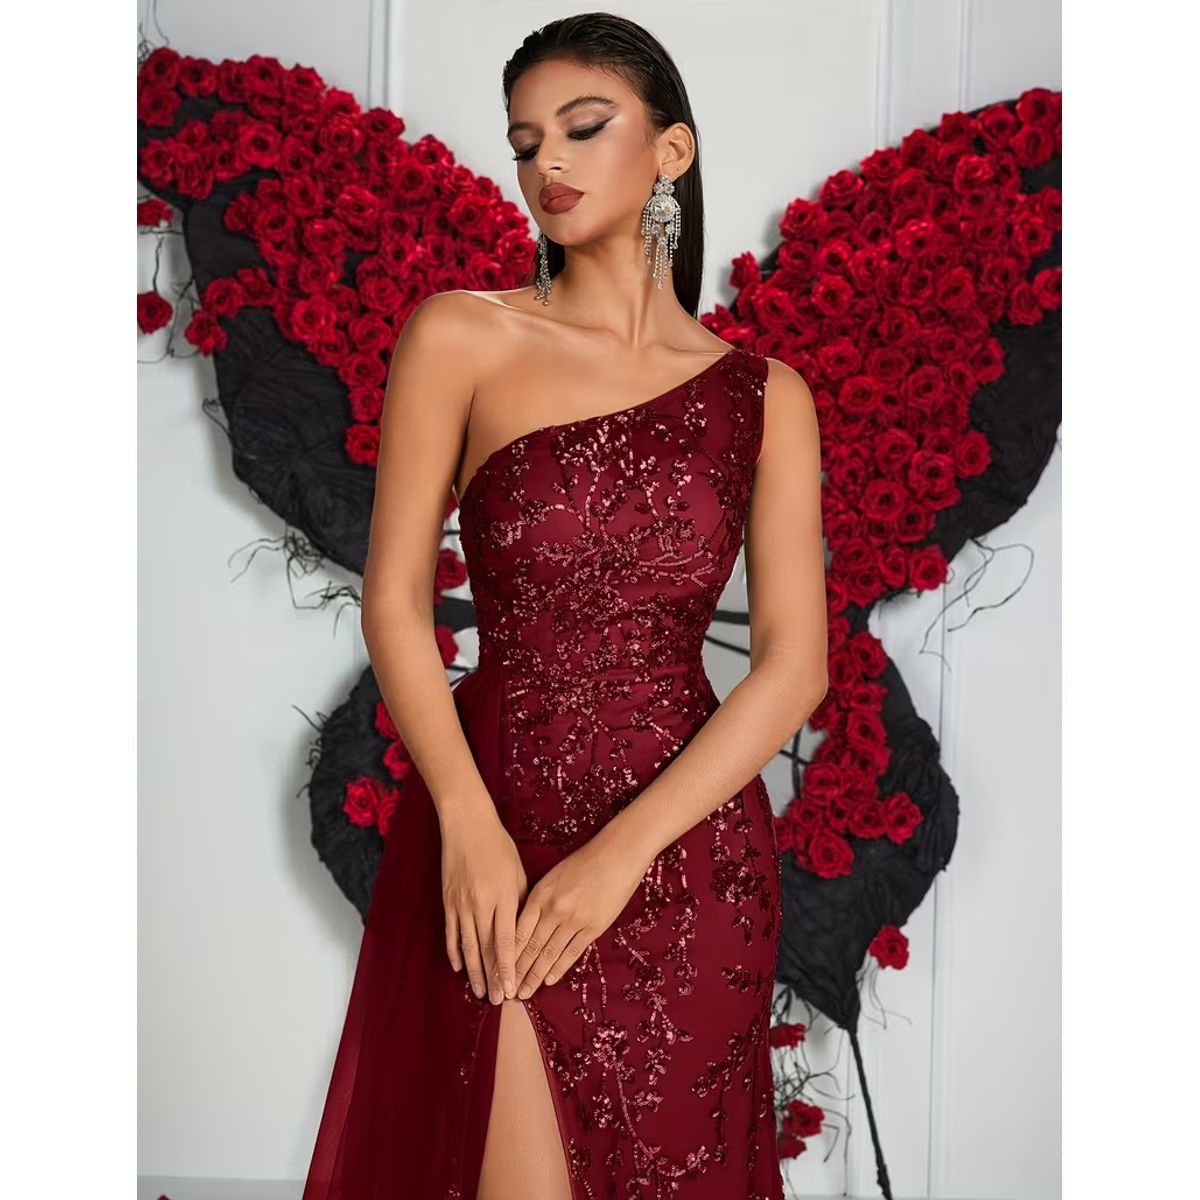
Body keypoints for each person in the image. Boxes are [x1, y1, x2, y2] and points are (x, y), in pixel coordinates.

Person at [302, 13, 827, 1200]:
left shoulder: (767, 398)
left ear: (672, 152)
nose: (549, 161)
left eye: (585, 128)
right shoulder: (462, 335)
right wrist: (466, 822)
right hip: (504, 824)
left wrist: (623, 854)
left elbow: (794, 667)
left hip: (688, 860)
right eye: (526, 139)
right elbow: (395, 603)